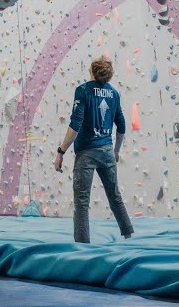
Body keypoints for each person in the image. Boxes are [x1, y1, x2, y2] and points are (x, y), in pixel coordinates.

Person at [53, 55, 134, 243]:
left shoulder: (82, 91)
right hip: (106, 150)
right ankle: (128, 235)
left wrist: (60, 151)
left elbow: (75, 124)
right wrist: (116, 151)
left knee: (81, 202)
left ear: (91, 70)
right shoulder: (114, 93)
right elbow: (121, 125)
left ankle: (82, 244)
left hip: (86, 154)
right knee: (114, 195)